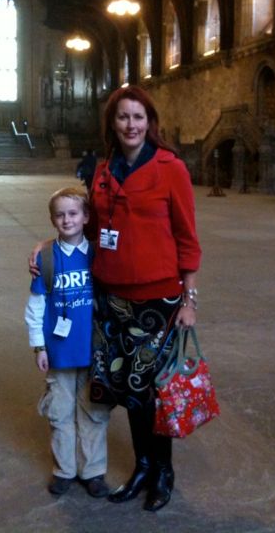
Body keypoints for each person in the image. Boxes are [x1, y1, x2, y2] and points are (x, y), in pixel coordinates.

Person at [30, 85, 201, 512]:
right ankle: (142, 464)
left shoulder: (170, 167)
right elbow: (88, 227)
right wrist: (45, 248)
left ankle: (163, 471)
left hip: (157, 299)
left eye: (138, 117)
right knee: (129, 390)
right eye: (123, 117)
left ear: (150, 122)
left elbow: (187, 238)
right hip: (111, 301)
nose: (131, 124)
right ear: (113, 123)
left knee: (155, 389)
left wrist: (189, 298)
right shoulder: (103, 171)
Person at [24, 186, 110, 499]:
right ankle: (64, 470)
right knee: (59, 412)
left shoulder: (99, 255)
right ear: (52, 219)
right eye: (60, 214)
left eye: (73, 213)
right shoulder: (46, 257)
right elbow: (36, 305)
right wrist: (39, 345)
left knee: (93, 413)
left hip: (93, 350)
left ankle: (93, 471)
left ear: (86, 217)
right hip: (58, 352)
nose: (67, 219)